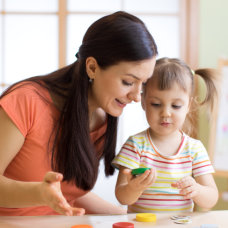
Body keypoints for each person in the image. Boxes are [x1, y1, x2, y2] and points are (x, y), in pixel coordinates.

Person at [0, 11, 158, 216]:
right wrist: (39, 192)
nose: (137, 97)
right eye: (128, 82)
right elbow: (50, 194)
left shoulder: (101, 118)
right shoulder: (26, 101)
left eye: (143, 84)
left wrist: (124, 217)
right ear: (92, 67)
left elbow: (69, 193)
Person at [112, 57, 219, 213]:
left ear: (188, 105)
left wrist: (197, 190)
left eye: (176, 106)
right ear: (143, 102)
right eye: (156, 104)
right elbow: (122, 197)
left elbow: (212, 198)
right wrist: (133, 188)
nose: (166, 113)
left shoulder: (194, 149)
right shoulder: (135, 144)